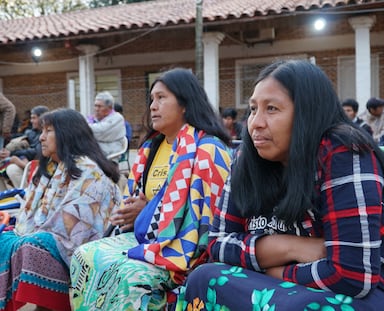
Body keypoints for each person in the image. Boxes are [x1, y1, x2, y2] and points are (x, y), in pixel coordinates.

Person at [176, 60, 384, 311]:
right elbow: (218, 244)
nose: (256, 122)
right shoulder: (246, 159)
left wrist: (274, 270)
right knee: (203, 278)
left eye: (272, 109)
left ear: (307, 112)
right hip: (295, 282)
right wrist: (290, 246)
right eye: (253, 108)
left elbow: (351, 275)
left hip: (377, 290)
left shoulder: (343, 151)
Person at [70, 68, 232, 311]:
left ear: (185, 104)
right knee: (83, 256)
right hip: (146, 237)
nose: (153, 106)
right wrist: (131, 214)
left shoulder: (209, 149)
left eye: (161, 98)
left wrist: (148, 212)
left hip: (185, 247)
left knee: (127, 275)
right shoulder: (150, 148)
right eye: (151, 99)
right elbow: (136, 200)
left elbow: (212, 218)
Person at [0, 108, 122, 311]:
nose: (41, 138)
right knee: (6, 239)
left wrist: (30, 235)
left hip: (83, 247)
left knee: (33, 244)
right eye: (42, 131)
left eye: (48, 131)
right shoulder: (49, 168)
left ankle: (50, 305)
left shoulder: (88, 171)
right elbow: (30, 215)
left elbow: (74, 230)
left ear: (67, 133)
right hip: (54, 236)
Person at [0, 105, 49, 190]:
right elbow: (19, 138)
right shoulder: (30, 132)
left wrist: (13, 155)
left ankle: (26, 195)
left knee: (12, 169)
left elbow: (37, 151)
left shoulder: (46, 135)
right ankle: (5, 198)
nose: (31, 121)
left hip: (35, 166)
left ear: (42, 118)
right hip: (25, 162)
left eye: (34, 118)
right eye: (31, 118)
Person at [88, 91, 126, 158]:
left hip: (110, 152)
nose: (96, 109)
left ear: (110, 107)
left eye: (99, 106)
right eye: (95, 106)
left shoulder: (117, 118)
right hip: (97, 151)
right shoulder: (93, 118)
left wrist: (85, 130)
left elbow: (100, 133)